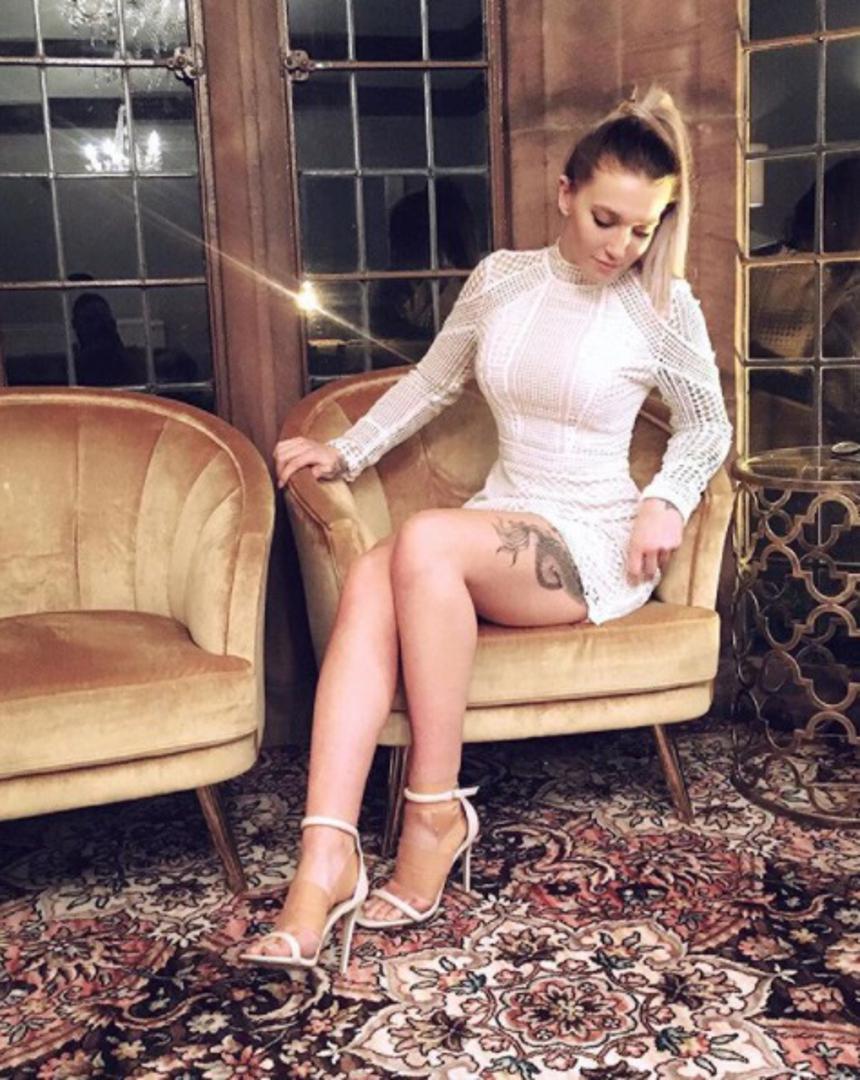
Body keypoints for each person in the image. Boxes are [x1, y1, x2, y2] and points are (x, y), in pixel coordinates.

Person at [242, 86, 732, 972]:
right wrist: (344, 453)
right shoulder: (503, 278)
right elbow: (434, 382)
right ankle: (324, 860)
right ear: (564, 192)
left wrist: (666, 497)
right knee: (374, 573)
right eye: (606, 219)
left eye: (643, 228)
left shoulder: (663, 305)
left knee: (424, 542)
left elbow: (706, 426)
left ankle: (432, 811)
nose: (622, 246)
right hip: (500, 520)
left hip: (591, 541)